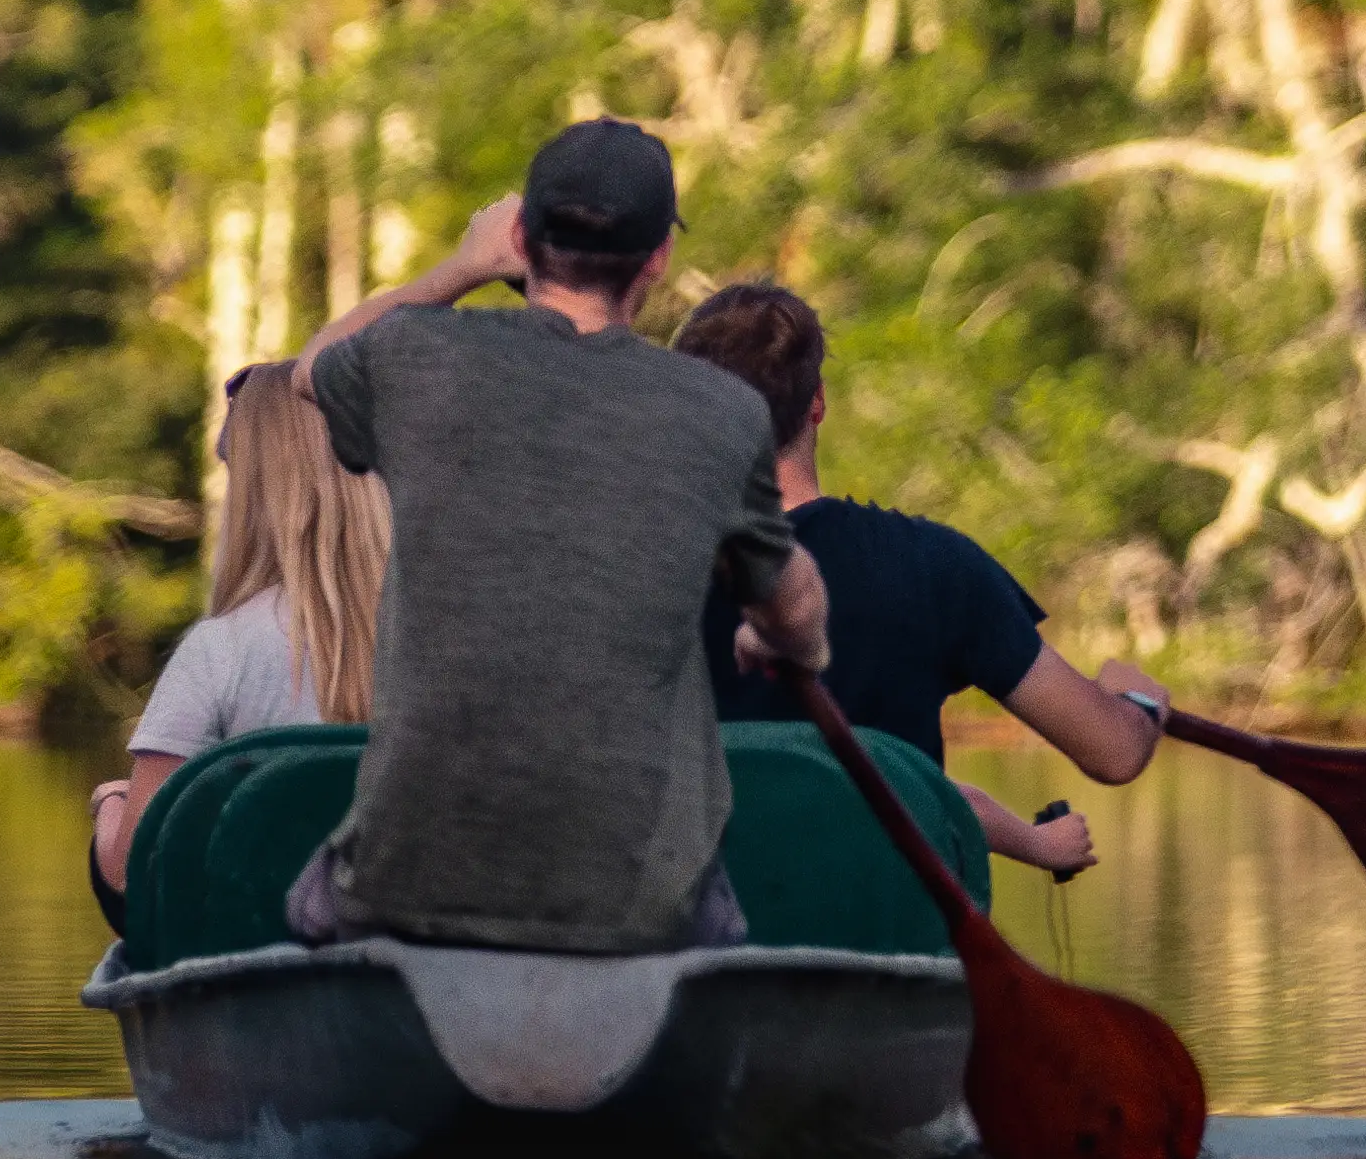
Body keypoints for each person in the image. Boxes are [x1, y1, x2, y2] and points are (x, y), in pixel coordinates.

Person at [282, 114, 831, 953]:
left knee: (306, 906)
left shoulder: (414, 358)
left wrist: (463, 267)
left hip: (403, 883)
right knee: (719, 907)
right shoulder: (721, 411)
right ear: (658, 259)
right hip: (635, 910)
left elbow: (312, 367)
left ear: (522, 236)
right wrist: (789, 636)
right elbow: (791, 603)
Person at [669, 278, 1163, 880]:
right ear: (817, 401)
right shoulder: (937, 567)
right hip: (893, 931)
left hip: (705, 931)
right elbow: (1113, 751)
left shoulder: (639, 574)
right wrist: (1138, 702)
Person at [91, 364, 385, 897]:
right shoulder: (445, 640)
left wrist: (109, 804)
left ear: (254, 489)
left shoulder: (221, 651)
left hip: (254, 939)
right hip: (396, 937)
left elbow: (131, 867)